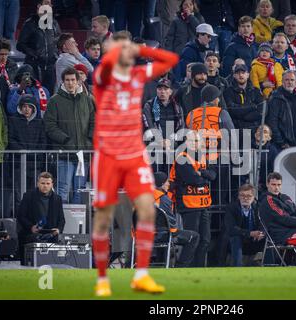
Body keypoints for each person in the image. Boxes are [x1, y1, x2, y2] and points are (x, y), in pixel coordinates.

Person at [91, 35, 179, 296]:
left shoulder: (138, 75)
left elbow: (170, 59)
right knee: (104, 217)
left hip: (134, 155)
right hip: (107, 155)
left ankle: (141, 276)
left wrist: (140, 48)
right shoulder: (102, 77)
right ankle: (102, 279)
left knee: (147, 210)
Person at [44, 67, 95, 204]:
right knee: (63, 190)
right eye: (67, 80)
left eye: (73, 80)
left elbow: (93, 121)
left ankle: (78, 224)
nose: (70, 83)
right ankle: (62, 223)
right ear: (63, 82)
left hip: (82, 155)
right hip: (64, 154)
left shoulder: (87, 99)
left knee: (80, 190)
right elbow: (50, 126)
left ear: (78, 81)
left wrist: (89, 139)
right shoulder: (54, 101)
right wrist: (66, 139)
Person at [169, 130, 216, 267]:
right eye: (191, 141)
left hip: (203, 204)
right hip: (189, 205)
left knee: (205, 239)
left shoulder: (203, 157)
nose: (194, 144)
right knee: (193, 238)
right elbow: (193, 179)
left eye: (197, 141)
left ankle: (199, 268)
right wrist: (204, 178)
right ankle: (184, 266)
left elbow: (213, 175)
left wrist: (201, 173)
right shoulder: (182, 157)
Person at [7, 94, 47, 213]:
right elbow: (11, 140)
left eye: (29, 106)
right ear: (20, 107)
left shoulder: (39, 122)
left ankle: (34, 219)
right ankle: (20, 219)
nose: (26, 109)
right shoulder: (13, 120)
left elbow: (43, 141)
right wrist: (23, 152)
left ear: (34, 108)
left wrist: (33, 154)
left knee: (36, 194)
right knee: (19, 195)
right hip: (18, 164)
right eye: (24, 106)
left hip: (35, 165)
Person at [17, 172, 65, 264]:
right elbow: (21, 216)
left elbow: (62, 219)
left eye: (48, 184)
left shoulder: (57, 199)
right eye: (43, 183)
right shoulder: (28, 196)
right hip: (31, 233)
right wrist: (31, 227)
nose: (45, 186)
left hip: (51, 233)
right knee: (33, 239)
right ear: (38, 183)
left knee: (59, 241)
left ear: (52, 185)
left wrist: (58, 229)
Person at [153, 172, 199, 268]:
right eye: (167, 182)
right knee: (194, 236)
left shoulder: (142, 198)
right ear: (161, 184)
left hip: (142, 235)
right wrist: (174, 230)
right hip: (161, 235)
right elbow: (170, 224)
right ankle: (180, 266)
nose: (169, 184)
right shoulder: (164, 199)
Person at [17, 0, 61, 94]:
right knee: (35, 95)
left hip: (50, 67)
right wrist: (34, 54)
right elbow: (20, 45)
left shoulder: (54, 23)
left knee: (49, 95)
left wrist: (55, 54)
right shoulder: (30, 23)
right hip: (34, 66)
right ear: (39, 6)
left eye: (50, 3)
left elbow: (59, 42)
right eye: (46, 3)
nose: (49, 5)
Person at [267, 70, 296, 149]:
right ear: (282, 81)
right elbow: (272, 122)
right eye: (287, 80)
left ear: (295, 82)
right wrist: (281, 142)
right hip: (284, 145)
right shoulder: (276, 98)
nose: (289, 82)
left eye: (292, 80)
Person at [225, 184, 265, 267]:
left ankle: (270, 267)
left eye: (248, 196)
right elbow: (231, 229)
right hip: (239, 239)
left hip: (255, 239)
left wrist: (262, 233)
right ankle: (237, 268)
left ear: (253, 197)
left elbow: (265, 223)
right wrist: (249, 233)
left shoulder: (259, 207)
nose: (245, 198)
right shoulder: (231, 208)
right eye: (242, 195)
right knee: (235, 237)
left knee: (269, 237)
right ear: (238, 197)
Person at [142, 78, 184, 151]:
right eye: (160, 89)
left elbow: (181, 127)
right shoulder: (149, 105)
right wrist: (160, 141)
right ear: (156, 91)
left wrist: (171, 141)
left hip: (173, 143)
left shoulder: (177, 107)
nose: (162, 92)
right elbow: (148, 126)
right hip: (154, 142)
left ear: (170, 91)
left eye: (165, 89)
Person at [224, 64, 265, 131]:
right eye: (238, 73)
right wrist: (252, 106)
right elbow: (231, 110)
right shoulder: (228, 92)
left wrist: (244, 117)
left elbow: (262, 110)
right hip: (236, 130)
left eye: (243, 73)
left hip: (254, 130)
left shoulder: (256, 91)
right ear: (234, 75)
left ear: (248, 75)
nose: (241, 75)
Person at [253, 124, 280, 192]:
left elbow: (273, 169)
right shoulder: (248, 147)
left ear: (269, 138)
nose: (261, 132)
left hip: (264, 187)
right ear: (255, 134)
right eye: (259, 130)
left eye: (265, 131)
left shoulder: (272, 150)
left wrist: (264, 184)